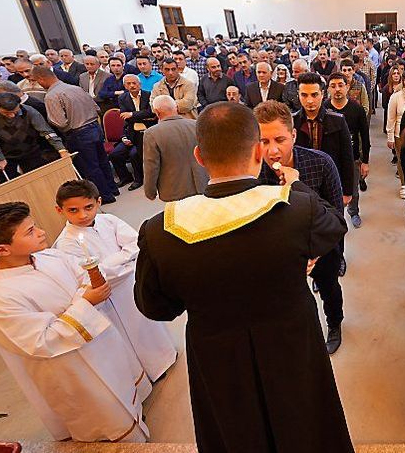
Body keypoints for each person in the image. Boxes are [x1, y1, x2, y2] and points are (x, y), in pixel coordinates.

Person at [135, 102, 353, 451]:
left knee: (235, 432)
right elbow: (334, 227)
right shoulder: (295, 207)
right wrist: (295, 187)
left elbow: (156, 307)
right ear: (257, 150)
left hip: (217, 354)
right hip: (291, 343)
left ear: (199, 156)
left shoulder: (160, 229)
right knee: (307, 425)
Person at [0, 202, 150, 442]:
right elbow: (42, 341)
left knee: (124, 390)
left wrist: (82, 299)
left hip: (102, 342)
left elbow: (84, 276)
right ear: (1, 250)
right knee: (107, 414)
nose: (41, 232)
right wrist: (85, 303)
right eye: (30, 231)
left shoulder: (48, 256)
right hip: (73, 368)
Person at [53, 180, 178, 382]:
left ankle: (165, 356)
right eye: (73, 210)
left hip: (131, 283)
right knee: (129, 336)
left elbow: (135, 245)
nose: (83, 215)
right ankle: (149, 371)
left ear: (98, 202)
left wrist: (112, 264)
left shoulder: (108, 220)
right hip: (110, 297)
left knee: (147, 324)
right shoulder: (65, 243)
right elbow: (90, 275)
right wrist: (122, 261)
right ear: (60, 210)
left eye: (88, 207)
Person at [255, 100, 347, 353]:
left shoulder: (321, 163)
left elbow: (336, 218)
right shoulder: (253, 175)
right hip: (280, 255)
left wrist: (313, 253)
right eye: (264, 142)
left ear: (294, 135)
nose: (273, 151)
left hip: (322, 250)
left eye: (280, 140)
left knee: (329, 288)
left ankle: (334, 323)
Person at [33, 65, 119, 203]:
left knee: (90, 167)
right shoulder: (76, 88)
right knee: (102, 161)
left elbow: (59, 122)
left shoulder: (52, 96)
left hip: (78, 133)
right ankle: (112, 188)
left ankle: (105, 196)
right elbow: (96, 108)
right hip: (95, 127)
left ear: (41, 79)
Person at [293, 72, 354, 209]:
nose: (309, 100)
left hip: (332, 183)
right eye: (304, 95)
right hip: (302, 186)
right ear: (298, 95)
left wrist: (347, 191)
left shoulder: (337, 120)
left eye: (314, 95)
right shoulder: (292, 122)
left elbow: (347, 158)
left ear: (322, 94)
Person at [0, 93, 69, 177]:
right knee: (9, 183)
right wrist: (0, 158)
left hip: (30, 150)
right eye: (6, 113)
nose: (12, 116)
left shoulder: (29, 110)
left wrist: (62, 150)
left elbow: (47, 132)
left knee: (40, 177)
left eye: (15, 112)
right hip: (4, 153)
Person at [142, 95, 208, 202]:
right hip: (203, 184)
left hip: (174, 191)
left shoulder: (151, 133)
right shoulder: (196, 125)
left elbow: (151, 166)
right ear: (176, 107)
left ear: (157, 112)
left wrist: (150, 192)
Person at [326, 72, 369, 229]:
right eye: (333, 86)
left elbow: (364, 136)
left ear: (347, 87)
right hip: (329, 158)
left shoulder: (356, 109)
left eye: (340, 85)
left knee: (352, 190)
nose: (337, 89)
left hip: (352, 157)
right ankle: (332, 216)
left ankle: (353, 212)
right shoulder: (324, 108)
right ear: (328, 89)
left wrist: (365, 161)